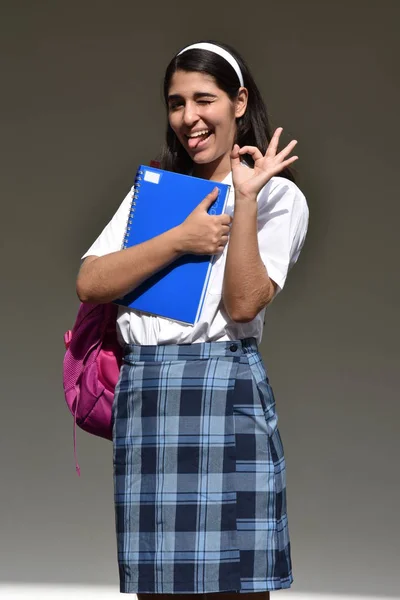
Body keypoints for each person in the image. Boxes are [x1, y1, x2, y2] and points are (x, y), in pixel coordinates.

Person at [76, 40, 309, 599]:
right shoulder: (155, 190)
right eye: (176, 103)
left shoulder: (278, 196)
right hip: (147, 393)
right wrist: (179, 240)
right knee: (157, 586)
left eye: (204, 99)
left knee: (237, 583)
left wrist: (244, 200)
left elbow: (243, 305)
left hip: (223, 387)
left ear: (238, 102)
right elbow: (91, 283)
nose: (189, 117)